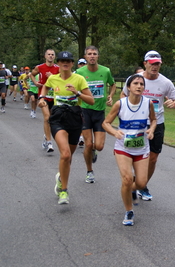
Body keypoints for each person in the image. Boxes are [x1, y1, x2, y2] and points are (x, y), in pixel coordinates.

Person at [120, 50, 175, 201]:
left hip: (157, 123)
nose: (155, 67)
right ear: (145, 63)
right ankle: (136, 182)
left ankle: (142, 185)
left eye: (157, 64)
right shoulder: (135, 80)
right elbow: (123, 96)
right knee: (135, 155)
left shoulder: (165, 82)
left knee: (153, 159)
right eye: (152, 64)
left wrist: (174, 103)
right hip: (135, 125)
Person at [38, 51, 94, 205]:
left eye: (68, 61)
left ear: (72, 63)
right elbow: (44, 89)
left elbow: (91, 101)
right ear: (59, 62)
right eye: (62, 61)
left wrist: (77, 93)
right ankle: (64, 191)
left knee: (68, 158)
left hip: (75, 119)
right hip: (58, 119)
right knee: (65, 154)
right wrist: (42, 98)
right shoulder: (53, 78)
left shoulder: (79, 79)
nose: (65, 63)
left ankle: (60, 178)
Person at [103, 74, 156, 225]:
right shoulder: (120, 104)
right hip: (123, 148)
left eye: (141, 84)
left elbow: (153, 119)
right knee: (127, 179)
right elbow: (106, 123)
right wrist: (114, 132)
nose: (139, 86)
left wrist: (151, 130)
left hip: (141, 148)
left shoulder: (148, 103)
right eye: (136, 83)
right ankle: (129, 211)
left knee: (141, 183)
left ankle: (128, 189)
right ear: (128, 87)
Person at [76, 45, 116, 183]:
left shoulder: (105, 71)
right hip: (85, 111)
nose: (92, 56)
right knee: (88, 144)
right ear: (85, 56)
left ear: (98, 56)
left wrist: (110, 95)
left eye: (94, 54)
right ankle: (89, 171)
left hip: (99, 112)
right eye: (89, 54)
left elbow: (112, 84)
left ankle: (93, 151)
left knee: (98, 146)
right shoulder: (79, 72)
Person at [30, 49, 60, 153]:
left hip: (55, 97)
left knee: (52, 119)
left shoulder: (58, 68)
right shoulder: (40, 67)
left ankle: (46, 136)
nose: (51, 56)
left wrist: (53, 78)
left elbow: (63, 80)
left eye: (52, 55)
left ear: (54, 57)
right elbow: (31, 74)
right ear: (45, 56)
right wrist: (35, 83)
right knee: (47, 117)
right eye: (49, 54)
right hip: (43, 96)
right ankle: (49, 143)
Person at [76, 58, 87, 147]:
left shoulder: (89, 74)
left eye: (84, 64)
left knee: (84, 119)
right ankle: (79, 136)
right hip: (78, 100)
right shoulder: (75, 74)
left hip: (86, 100)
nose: (82, 66)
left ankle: (81, 138)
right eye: (81, 64)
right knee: (79, 120)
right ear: (78, 65)